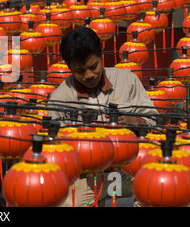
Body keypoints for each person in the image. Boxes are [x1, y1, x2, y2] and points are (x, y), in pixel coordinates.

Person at [47, 27, 158, 207]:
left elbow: (156, 122)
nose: (89, 75)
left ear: (101, 55)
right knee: (66, 204)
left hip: (129, 170)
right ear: (69, 67)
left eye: (93, 66)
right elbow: (56, 150)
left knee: (163, 192)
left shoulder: (127, 80)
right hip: (87, 177)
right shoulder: (59, 99)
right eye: (80, 71)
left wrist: (138, 122)